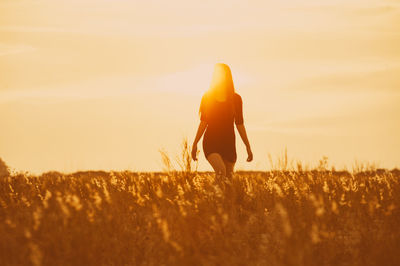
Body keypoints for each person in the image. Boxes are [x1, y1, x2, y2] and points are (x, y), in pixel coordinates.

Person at [191, 63, 253, 180]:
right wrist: (195, 144)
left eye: (221, 74)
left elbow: (239, 124)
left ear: (227, 76)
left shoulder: (236, 99)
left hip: (229, 143)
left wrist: (247, 146)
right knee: (221, 172)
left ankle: (219, 197)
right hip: (211, 141)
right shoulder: (207, 97)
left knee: (228, 180)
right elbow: (203, 122)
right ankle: (210, 198)